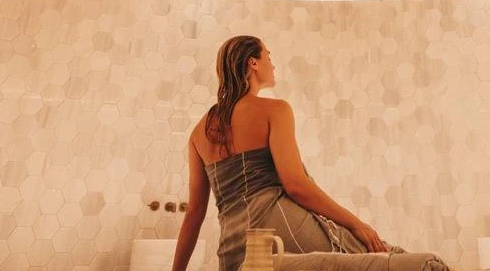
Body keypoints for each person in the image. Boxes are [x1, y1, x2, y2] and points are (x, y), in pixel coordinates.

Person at [170, 36, 452, 271]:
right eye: (268, 55)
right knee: (390, 255)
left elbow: (194, 213)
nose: (273, 63)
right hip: (278, 230)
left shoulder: (198, 132)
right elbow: (295, 184)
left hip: (235, 253)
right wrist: (357, 224)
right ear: (253, 63)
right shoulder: (275, 110)